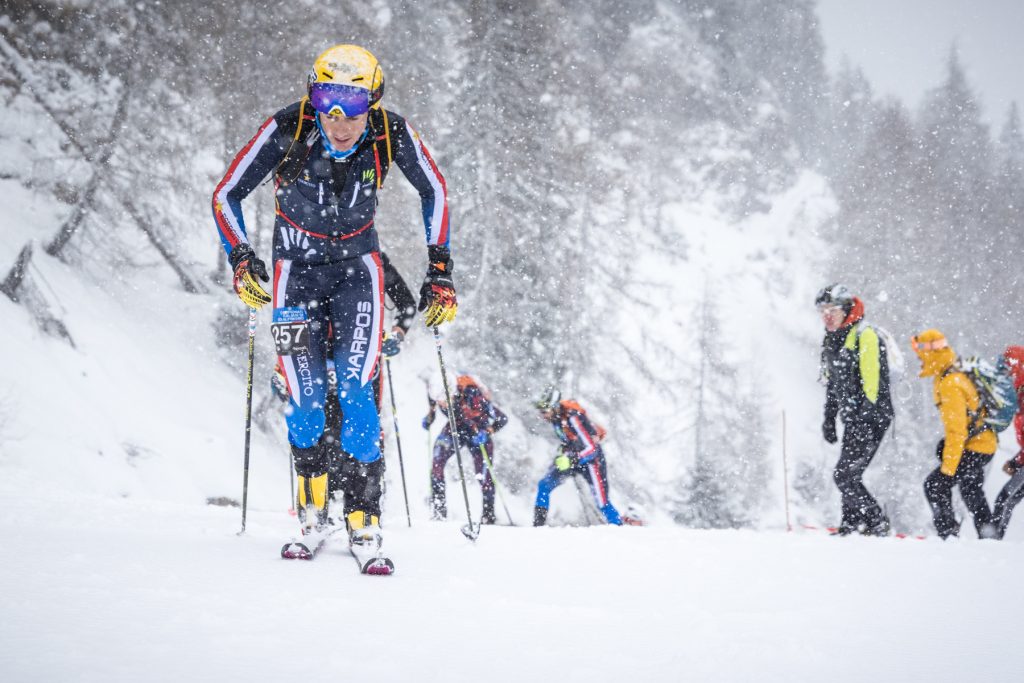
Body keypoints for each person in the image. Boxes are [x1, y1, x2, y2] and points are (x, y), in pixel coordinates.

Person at [212, 45, 456, 550]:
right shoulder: (289, 127)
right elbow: (226, 193)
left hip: (356, 276)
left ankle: (364, 516)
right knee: (305, 402)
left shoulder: (389, 132)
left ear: (374, 101)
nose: (340, 120)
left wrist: (440, 272)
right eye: (326, 102)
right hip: (293, 278)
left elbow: (435, 189)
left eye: (353, 105)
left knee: (354, 390)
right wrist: (241, 258)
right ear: (313, 97)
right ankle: (313, 510)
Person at [270, 251, 417, 521]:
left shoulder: (374, 261)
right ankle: (316, 509)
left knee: (361, 432)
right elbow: (291, 314)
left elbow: (407, 304)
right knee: (316, 431)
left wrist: (397, 334)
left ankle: (362, 508)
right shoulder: (303, 256)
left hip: (358, 358)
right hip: (316, 363)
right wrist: (282, 369)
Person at [815, 284, 893, 536]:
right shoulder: (832, 339)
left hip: (872, 416)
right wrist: (829, 417)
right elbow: (833, 384)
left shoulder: (865, 335)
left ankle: (876, 521)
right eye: (822, 310)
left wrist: (864, 417)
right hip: (853, 418)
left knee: (844, 475)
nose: (827, 315)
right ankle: (851, 524)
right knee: (849, 473)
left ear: (846, 310)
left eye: (833, 310)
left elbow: (873, 383)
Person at [911, 329, 997, 539]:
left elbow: (956, 431)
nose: (918, 358)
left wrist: (948, 469)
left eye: (920, 353)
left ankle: (948, 534)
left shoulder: (949, 383)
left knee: (934, 485)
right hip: (983, 444)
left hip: (976, 446)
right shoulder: (951, 373)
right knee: (971, 490)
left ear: (930, 353)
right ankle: (989, 536)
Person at [532, 387, 623, 527]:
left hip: (592, 462)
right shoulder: (556, 420)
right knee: (544, 485)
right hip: (572, 460)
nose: (543, 415)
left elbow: (591, 448)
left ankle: (618, 527)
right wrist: (562, 454)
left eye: (545, 411)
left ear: (555, 407)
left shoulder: (573, 418)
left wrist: (572, 459)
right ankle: (538, 526)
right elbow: (568, 441)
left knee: (602, 501)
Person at [424, 375, 507, 524]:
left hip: (477, 430)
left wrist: (488, 431)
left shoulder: (473, 395)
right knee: (437, 461)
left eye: (444, 400)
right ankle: (439, 512)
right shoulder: (434, 391)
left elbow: (502, 418)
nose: (442, 404)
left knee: (483, 474)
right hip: (456, 427)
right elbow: (433, 410)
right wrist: (430, 417)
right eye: (438, 401)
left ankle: (488, 516)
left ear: (453, 393)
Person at [993, 345, 1024, 538]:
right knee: (1007, 500)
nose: (1005, 373)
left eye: (1007, 367)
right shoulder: (1019, 396)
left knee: (1004, 499)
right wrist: (1017, 461)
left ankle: (992, 543)